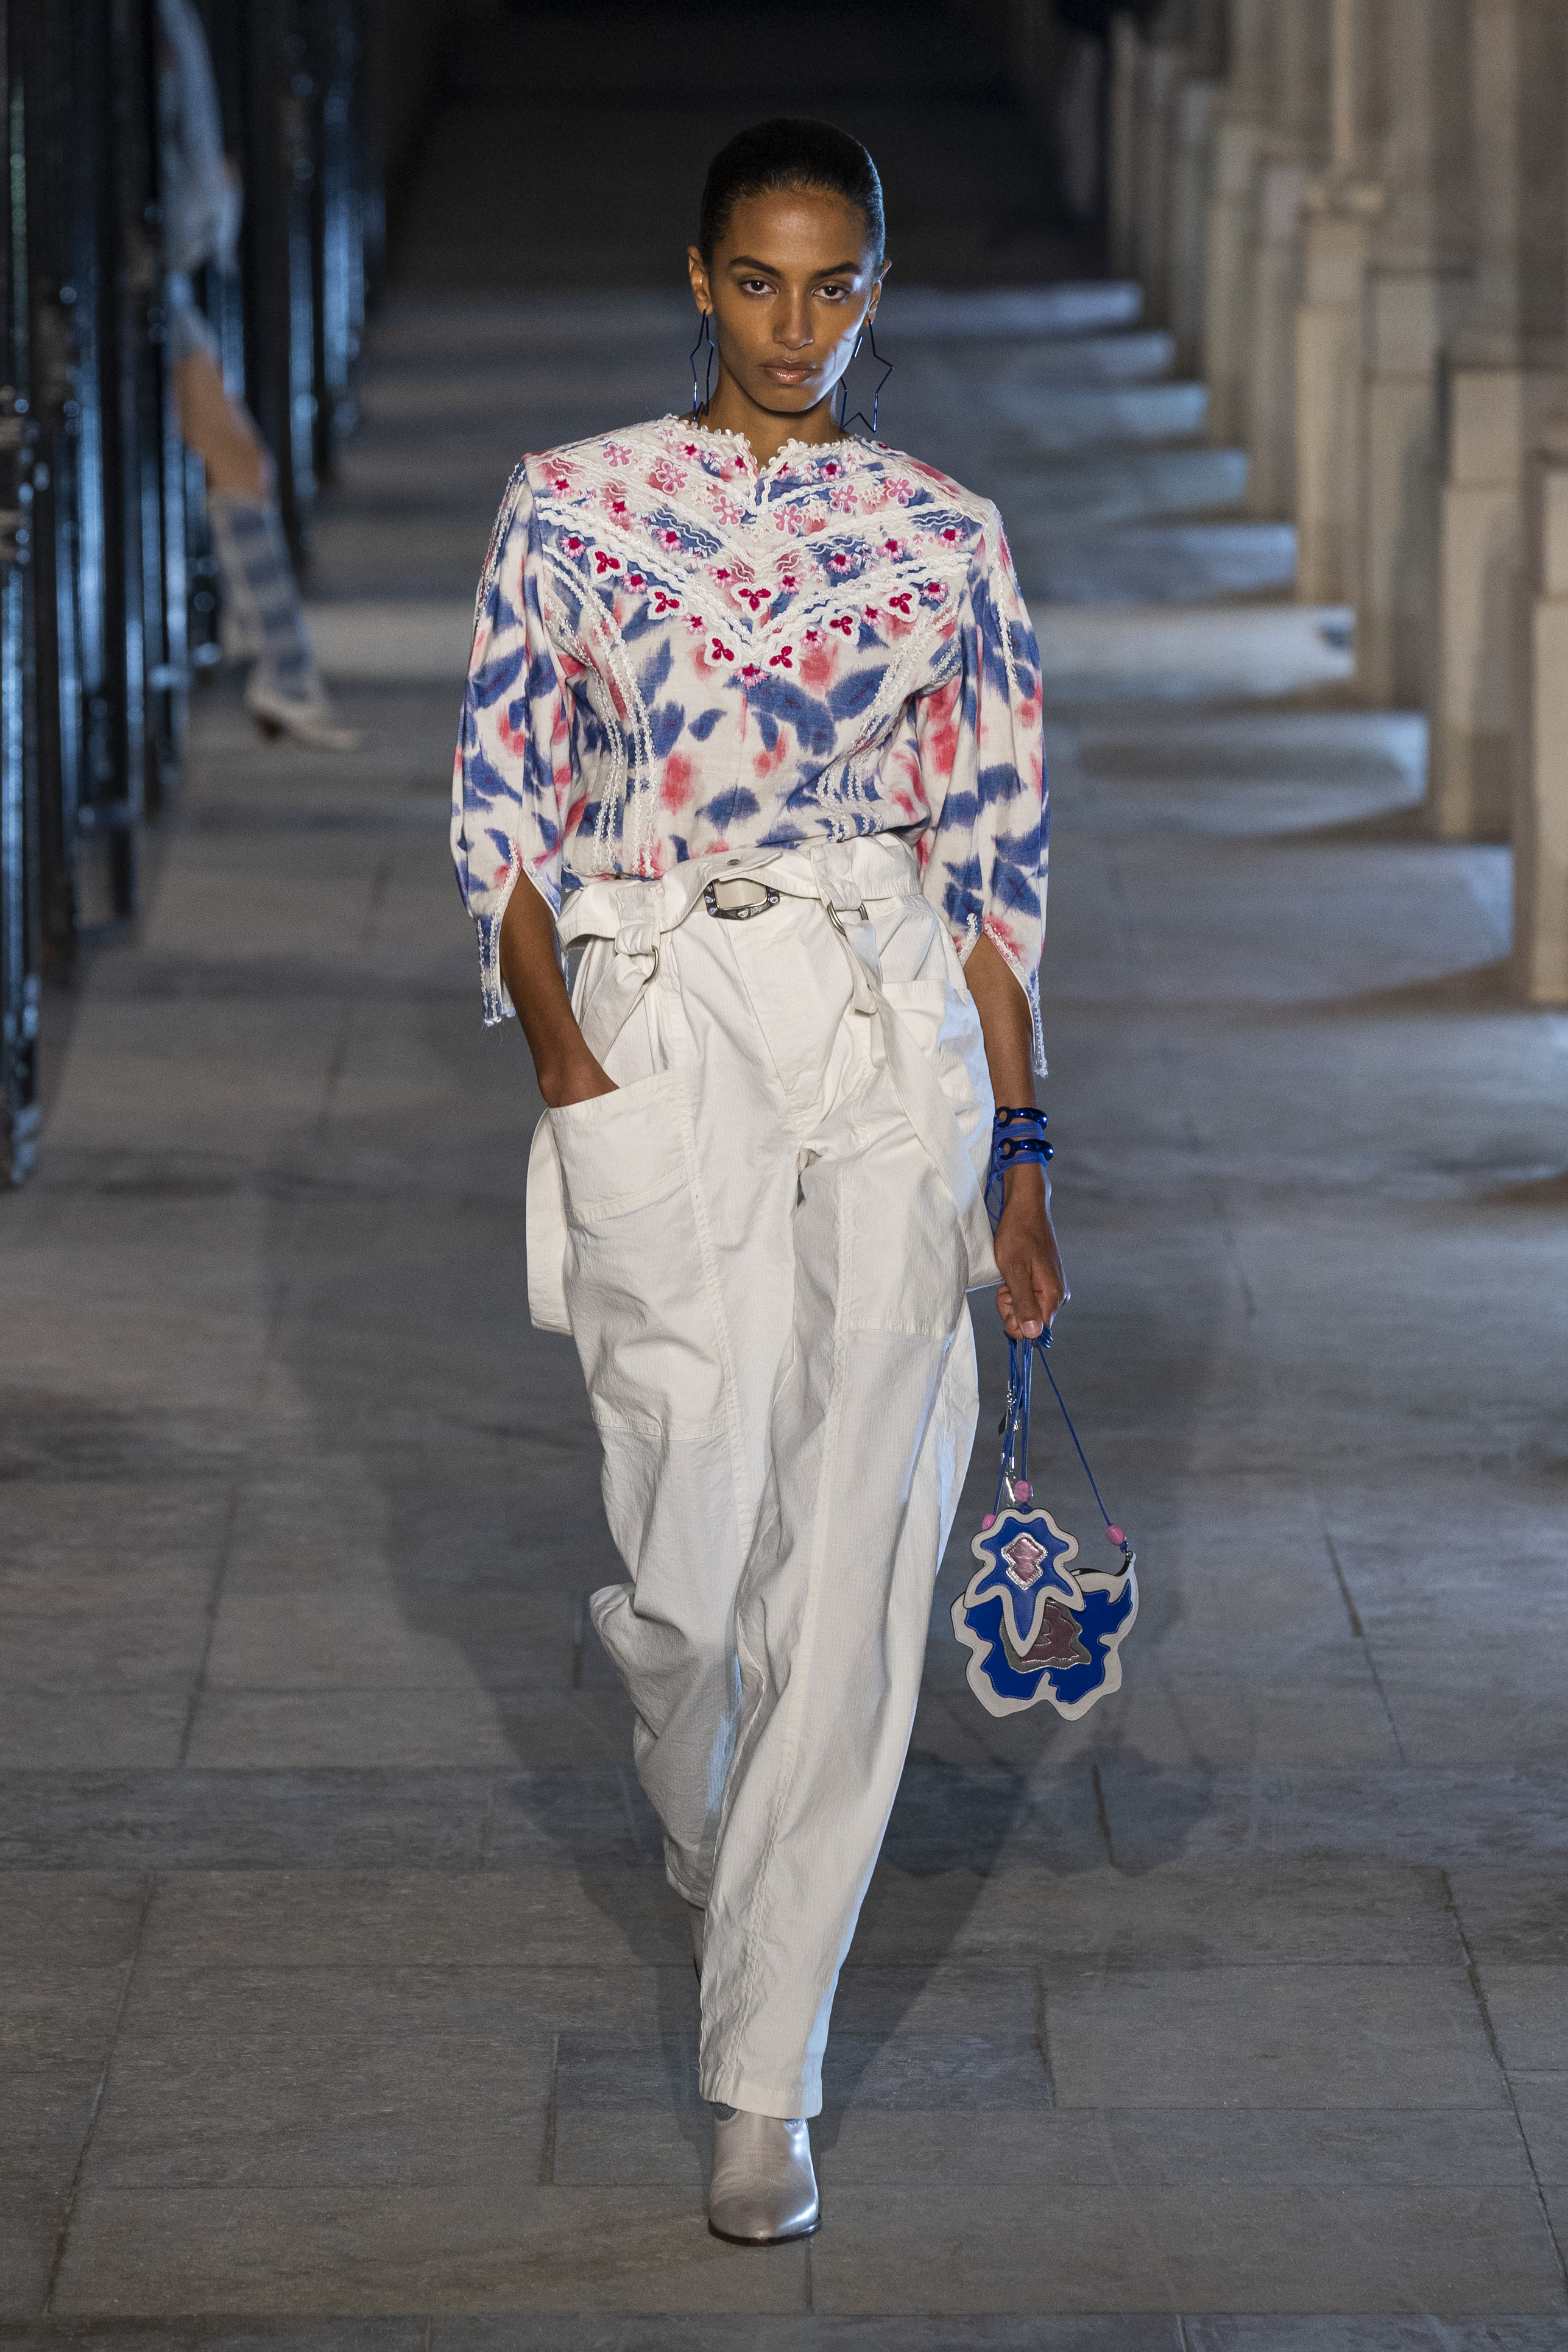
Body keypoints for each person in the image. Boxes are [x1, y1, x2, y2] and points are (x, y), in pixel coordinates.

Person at [453, 118, 1065, 2244]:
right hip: (661, 1016)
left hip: (882, 1028)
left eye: (835, 287)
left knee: (855, 1555)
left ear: (874, 290)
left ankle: (762, 2074)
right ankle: (701, 1800)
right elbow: (504, 810)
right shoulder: (573, 508)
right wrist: (570, 1062)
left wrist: (1022, 1153)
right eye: (758, 283)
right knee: (691, 1561)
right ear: (699, 279)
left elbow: (996, 868)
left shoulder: (947, 539)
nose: (796, 328)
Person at [157, 0, 360, 750]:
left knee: (238, 462)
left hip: (161, 282)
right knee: (240, 462)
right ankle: (284, 671)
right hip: (154, 284)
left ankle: (286, 670)